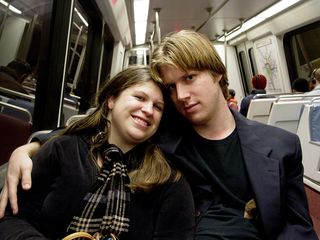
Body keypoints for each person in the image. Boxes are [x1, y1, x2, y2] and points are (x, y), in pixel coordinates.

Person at [0, 30, 318, 239]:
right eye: (171, 87)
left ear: (218, 73)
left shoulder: (281, 145)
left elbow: (298, 227)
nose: (180, 95)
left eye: (190, 78)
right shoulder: (164, 131)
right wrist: (30, 147)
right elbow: (98, 128)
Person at [0, 65, 195, 240]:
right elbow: (12, 218)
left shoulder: (168, 181)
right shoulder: (62, 149)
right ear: (111, 100)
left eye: (158, 107)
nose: (148, 110)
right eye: (140, 98)